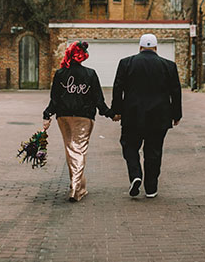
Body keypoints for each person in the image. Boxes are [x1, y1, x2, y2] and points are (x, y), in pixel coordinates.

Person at [111, 33, 182, 198]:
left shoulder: (126, 63)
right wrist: (176, 114)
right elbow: (176, 92)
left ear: (140, 47)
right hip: (160, 116)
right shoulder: (169, 66)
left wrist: (117, 110)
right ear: (156, 48)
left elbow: (118, 88)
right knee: (154, 151)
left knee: (129, 146)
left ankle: (136, 174)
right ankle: (151, 188)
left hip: (133, 115)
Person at [43, 41, 114, 202]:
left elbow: (54, 99)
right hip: (84, 117)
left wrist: (47, 114)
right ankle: (76, 188)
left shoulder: (60, 74)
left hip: (64, 116)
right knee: (79, 150)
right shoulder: (90, 74)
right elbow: (98, 100)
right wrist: (110, 113)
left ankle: (79, 186)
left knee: (71, 150)